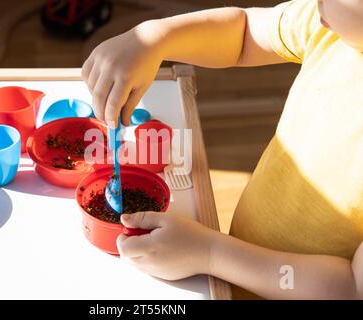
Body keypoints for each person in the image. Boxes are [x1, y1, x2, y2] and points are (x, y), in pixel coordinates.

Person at [81, 0, 363, 299]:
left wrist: (211, 253)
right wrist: (155, 38)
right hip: (231, 275)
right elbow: (244, 33)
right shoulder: (330, 29)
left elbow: (349, 289)